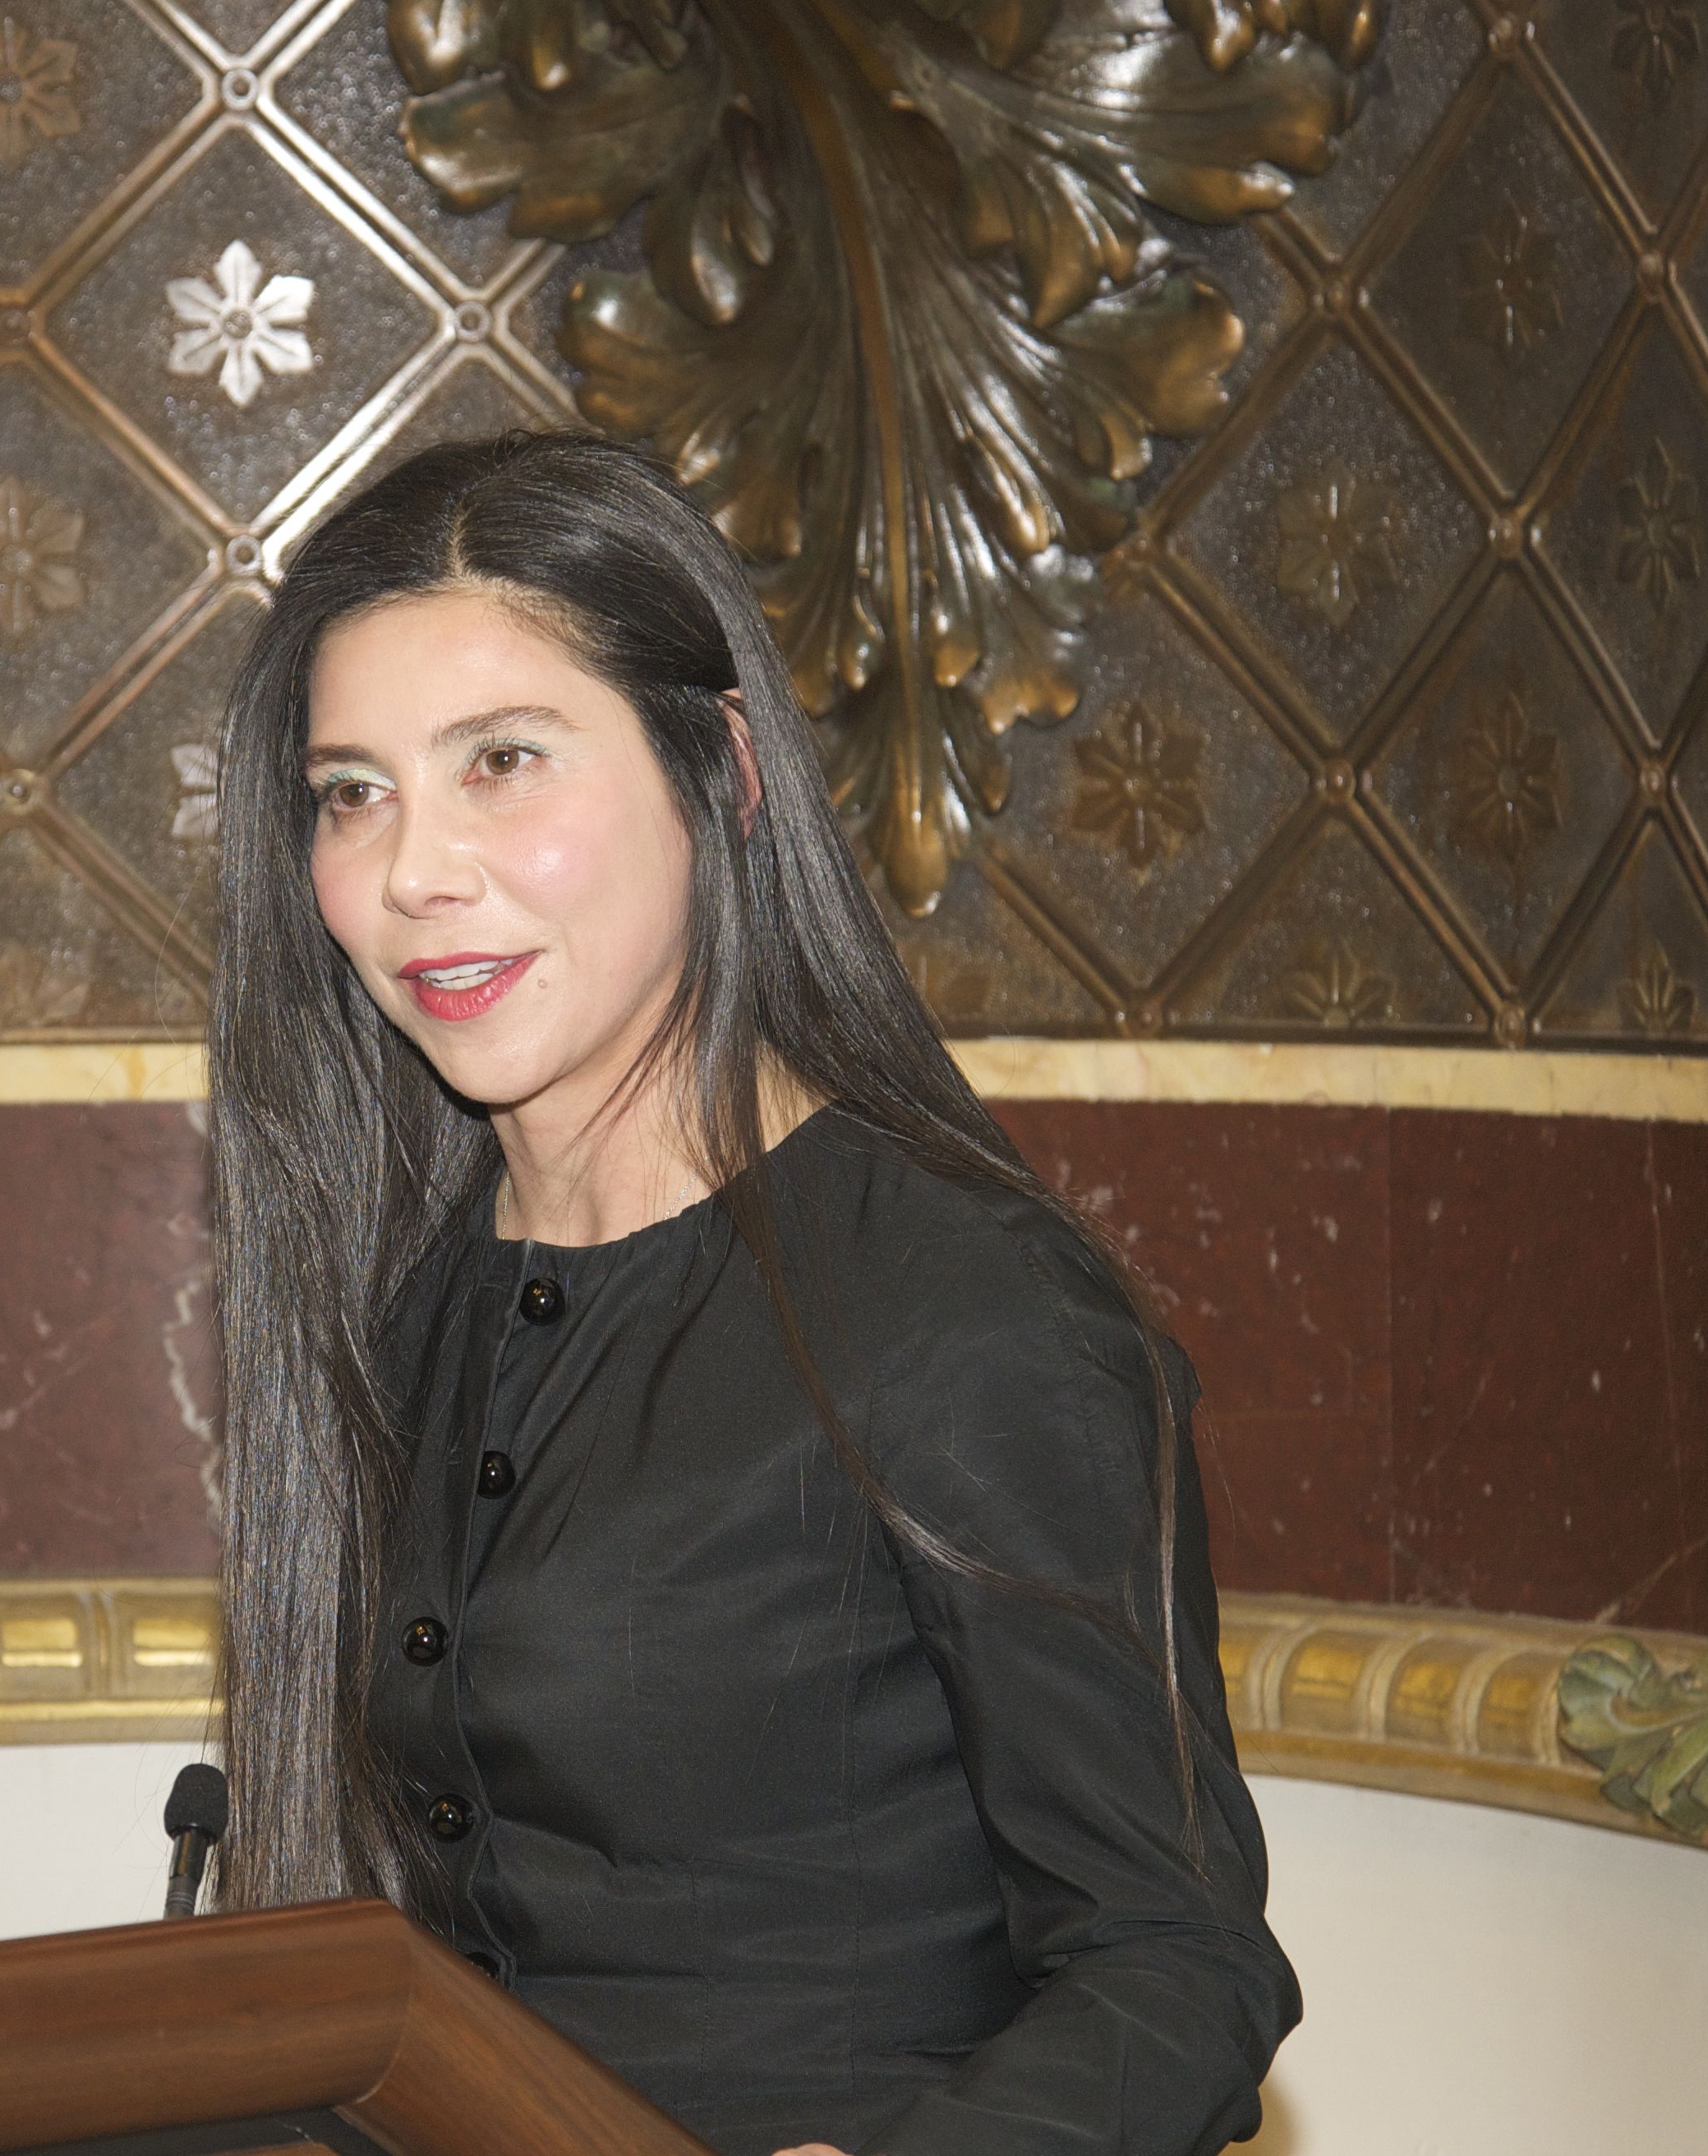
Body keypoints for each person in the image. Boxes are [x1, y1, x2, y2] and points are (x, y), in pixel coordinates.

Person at [204, 433, 1297, 2156]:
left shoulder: (970, 1310)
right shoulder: (391, 1300)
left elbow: (1178, 1971)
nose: (415, 870)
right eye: (353, 792)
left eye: (502, 762)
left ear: (719, 768)